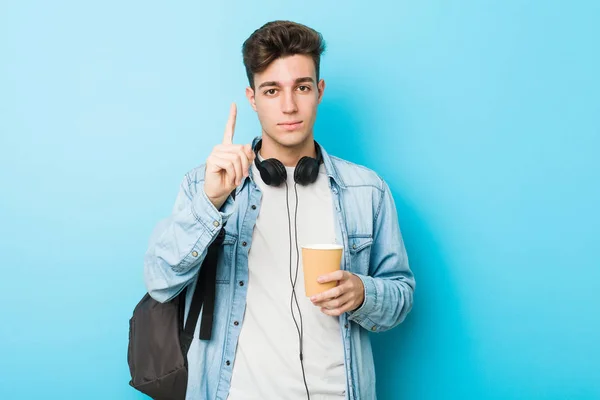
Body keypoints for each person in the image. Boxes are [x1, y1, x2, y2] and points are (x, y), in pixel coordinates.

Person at [143, 20, 415, 400]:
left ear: (318, 91)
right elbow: (159, 282)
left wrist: (363, 293)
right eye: (272, 90)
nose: (289, 106)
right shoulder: (206, 185)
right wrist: (211, 202)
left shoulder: (366, 191)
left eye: (301, 87)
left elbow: (401, 295)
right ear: (253, 98)